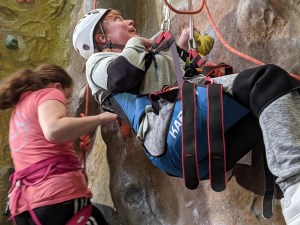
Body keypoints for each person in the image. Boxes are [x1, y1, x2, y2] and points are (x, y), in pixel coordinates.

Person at [72, 8, 300, 225]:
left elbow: (180, 82)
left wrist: (180, 47)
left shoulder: (144, 58)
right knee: (268, 80)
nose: (130, 22)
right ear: (101, 38)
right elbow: (122, 77)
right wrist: (138, 41)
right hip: (175, 129)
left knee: (268, 106)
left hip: (183, 141)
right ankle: (295, 190)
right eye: (118, 19)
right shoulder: (97, 62)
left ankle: (294, 201)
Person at [0, 64, 117, 225]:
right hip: (54, 201)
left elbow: (44, 150)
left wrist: (78, 132)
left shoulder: (20, 110)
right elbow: (54, 130)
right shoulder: (49, 93)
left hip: (25, 209)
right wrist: (101, 118)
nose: (65, 104)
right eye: (66, 98)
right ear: (57, 86)